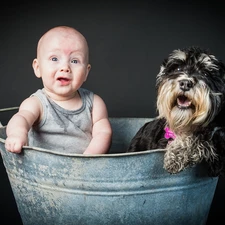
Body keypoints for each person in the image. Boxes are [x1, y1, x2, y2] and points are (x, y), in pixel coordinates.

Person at [5, 26, 112, 154]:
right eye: (54, 59)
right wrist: (17, 134)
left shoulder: (95, 103)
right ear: (38, 67)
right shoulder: (37, 103)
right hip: (42, 169)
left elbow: (104, 133)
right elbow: (21, 118)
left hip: (85, 169)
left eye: (74, 61)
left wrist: (87, 161)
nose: (65, 67)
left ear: (86, 72)